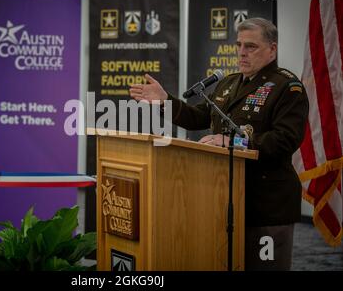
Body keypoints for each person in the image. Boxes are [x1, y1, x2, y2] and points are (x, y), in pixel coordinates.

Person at [129, 18, 309, 270]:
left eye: (251, 46)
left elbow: (285, 139)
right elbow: (198, 117)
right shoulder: (229, 83)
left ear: (272, 49)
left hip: (266, 203)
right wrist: (163, 101)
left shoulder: (287, 87)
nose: (242, 52)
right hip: (223, 197)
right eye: (239, 45)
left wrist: (234, 141)